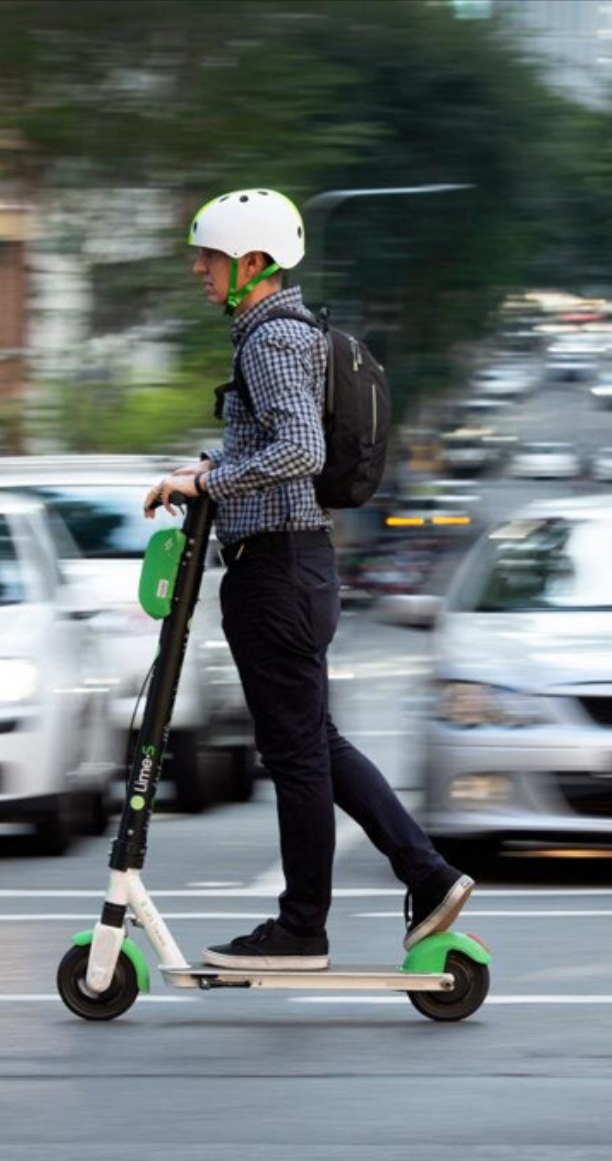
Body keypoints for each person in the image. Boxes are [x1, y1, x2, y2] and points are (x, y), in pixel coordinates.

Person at [142, 188, 473, 971]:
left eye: (210, 257)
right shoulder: (284, 333)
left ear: (251, 263)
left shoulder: (269, 341)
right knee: (312, 740)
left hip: (278, 570)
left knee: (294, 753)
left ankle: (302, 926)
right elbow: (279, 448)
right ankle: (428, 875)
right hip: (297, 563)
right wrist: (212, 467)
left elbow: (299, 451)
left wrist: (209, 486)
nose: (198, 269)